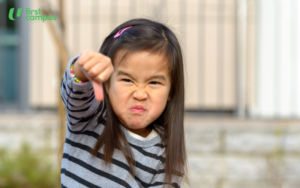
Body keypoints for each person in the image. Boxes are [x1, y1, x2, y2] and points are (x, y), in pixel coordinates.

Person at [60, 18, 188, 188]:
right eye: (127, 80)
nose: (140, 94)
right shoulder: (90, 116)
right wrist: (82, 70)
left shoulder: (166, 151)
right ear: (106, 82)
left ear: (171, 90)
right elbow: (75, 92)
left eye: (154, 83)